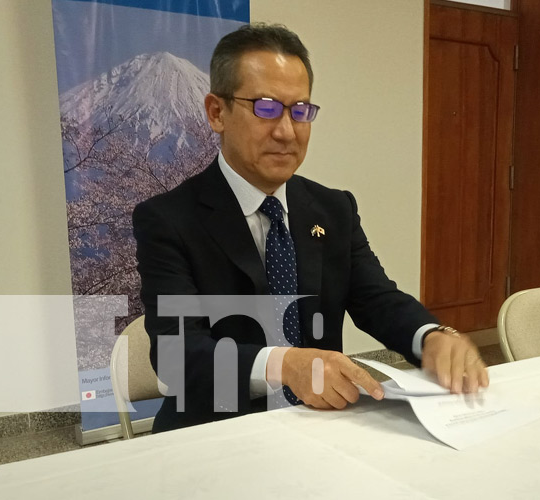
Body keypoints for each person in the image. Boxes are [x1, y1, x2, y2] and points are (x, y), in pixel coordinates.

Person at [133, 23, 488, 433]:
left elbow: (377, 299)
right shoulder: (169, 218)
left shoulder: (333, 208)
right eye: (265, 107)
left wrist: (431, 336)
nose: (286, 131)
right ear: (217, 112)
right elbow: (179, 355)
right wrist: (285, 364)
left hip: (322, 424)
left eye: (300, 110)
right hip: (214, 433)